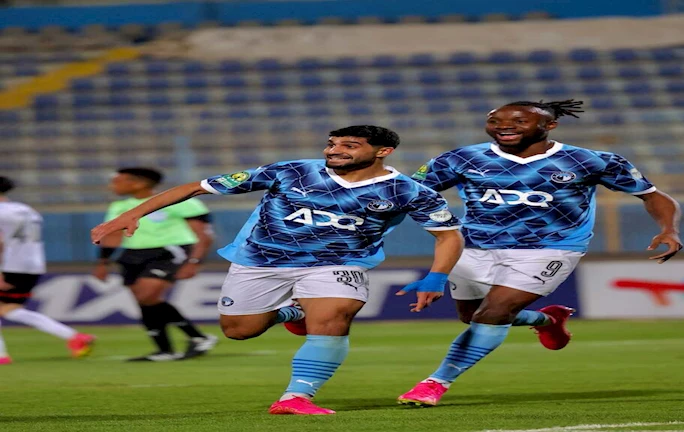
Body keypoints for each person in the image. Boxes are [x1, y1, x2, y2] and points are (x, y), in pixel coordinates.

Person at [91, 125, 464, 415]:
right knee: (240, 331)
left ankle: (296, 396)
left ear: (383, 151)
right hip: (259, 262)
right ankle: (293, 312)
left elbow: (448, 236)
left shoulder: (407, 191)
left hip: (338, 263)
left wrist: (436, 277)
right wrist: (132, 214)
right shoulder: (291, 171)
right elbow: (197, 187)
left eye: (349, 145)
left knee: (334, 318)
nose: (334, 150)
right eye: (332, 143)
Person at [398, 100, 683, 407]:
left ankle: (434, 383)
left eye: (519, 121)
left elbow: (652, 196)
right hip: (473, 247)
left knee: (493, 314)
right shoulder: (462, 158)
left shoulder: (589, 161)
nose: (504, 127)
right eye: (495, 121)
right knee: (471, 317)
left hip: (549, 249)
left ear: (549, 125)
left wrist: (669, 229)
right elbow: (408, 193)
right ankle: (547, 320)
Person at [93, 168, 218, 361]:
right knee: (143, 301)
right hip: (132, 254)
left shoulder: (181, 200)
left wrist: (194, 261)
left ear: (139, 183)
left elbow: (204, 235)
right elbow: (113, 236)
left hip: (169, 250)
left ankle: (197, 337)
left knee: (148, 295)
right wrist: (103, 262)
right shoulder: (119, 206)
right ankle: (166, 350)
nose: (112, 186)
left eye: (118, 181)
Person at [0, 176, 95, 364]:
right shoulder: (27, 210)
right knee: (9, 309)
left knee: (9, 309)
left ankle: (1, 356)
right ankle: (75, 337)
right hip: (31, 265)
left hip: (9, 265)